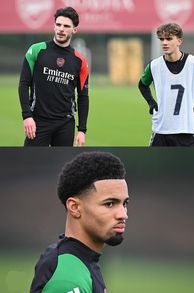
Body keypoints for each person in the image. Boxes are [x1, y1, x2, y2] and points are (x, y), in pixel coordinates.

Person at [30, 151, 129, 293]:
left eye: (124, 203)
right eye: (109, 204)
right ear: (74, 207)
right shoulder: (68, 280)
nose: (123, 214)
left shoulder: (82, 261)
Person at [138, 23, 194, 146]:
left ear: (179, 41)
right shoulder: (154, 66)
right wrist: (151, 102)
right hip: (160, 131)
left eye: (169, 38)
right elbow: (142, 85)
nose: (164, 43)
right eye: (162, 39)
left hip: (186, 131)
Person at [18, 7, 89, 146]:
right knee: (29, 164)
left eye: (66, 26)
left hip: (65, 124)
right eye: (58, 24)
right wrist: (27, 116)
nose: (61, 29)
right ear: (54, 25)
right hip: (38, 122)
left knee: (62, 165)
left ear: (74, 29)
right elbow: (23, 84)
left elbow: (83, 97)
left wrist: (82, 130)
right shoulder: (37, 50)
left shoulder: (80, 61)